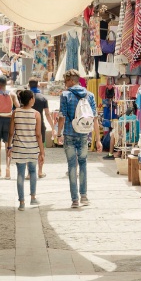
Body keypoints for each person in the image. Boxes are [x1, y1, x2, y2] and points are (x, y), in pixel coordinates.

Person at [55, 69, 101, 208]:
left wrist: (58, 134)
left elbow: (62, 116)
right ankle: (84, 196)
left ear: (71, 80)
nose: (64, 84)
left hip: (69, 133)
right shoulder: (90, 95)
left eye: (65, 81)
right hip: (84, 134)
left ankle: (74, 200)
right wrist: (97, 139)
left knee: (71, 166)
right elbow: (94, 119)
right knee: (83, 164)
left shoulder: (65, 95)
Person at [8, 90, 45, 210]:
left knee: (20, 174)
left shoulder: (15, 112)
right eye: (33, 98)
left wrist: (9, 146)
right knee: (33, 171)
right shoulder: (36, 114)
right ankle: (33, 198)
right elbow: (38, 134)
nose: (34, 100)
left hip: (19, 148)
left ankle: (22, 202)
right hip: (32, 148)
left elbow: (11, 132)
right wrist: (42, 151)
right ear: (30, 100)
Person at [0, 75, 19, 178]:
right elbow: (18, 107)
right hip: (9, 120)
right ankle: (8, 168)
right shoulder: (12, 95)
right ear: (6, 83)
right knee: (8, 145)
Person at [28, 77, 54, 178]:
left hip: (28, 126)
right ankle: (40, 171)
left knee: (29, 149)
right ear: (38, 85)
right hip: (40, 126)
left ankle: (29, 173)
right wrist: (52, 127)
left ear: (29, 85)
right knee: (41, 148)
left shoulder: (26, 97)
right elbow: (47, 114)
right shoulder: (42, 98)